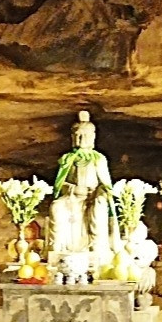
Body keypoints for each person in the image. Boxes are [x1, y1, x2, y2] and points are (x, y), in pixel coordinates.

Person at [48, 111, 119, 265]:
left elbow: (105, 184)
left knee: (99, 209)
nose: (81, 139)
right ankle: (58, 248)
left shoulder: (98, 159)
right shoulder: (68, 159)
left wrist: (98, 194)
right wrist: (73, 190)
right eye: (78, 135)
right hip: (72, 198)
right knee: (56, 206)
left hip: (92, 198)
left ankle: (96, 246)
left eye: (85, 136)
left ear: (93, 137)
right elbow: (60, 184)